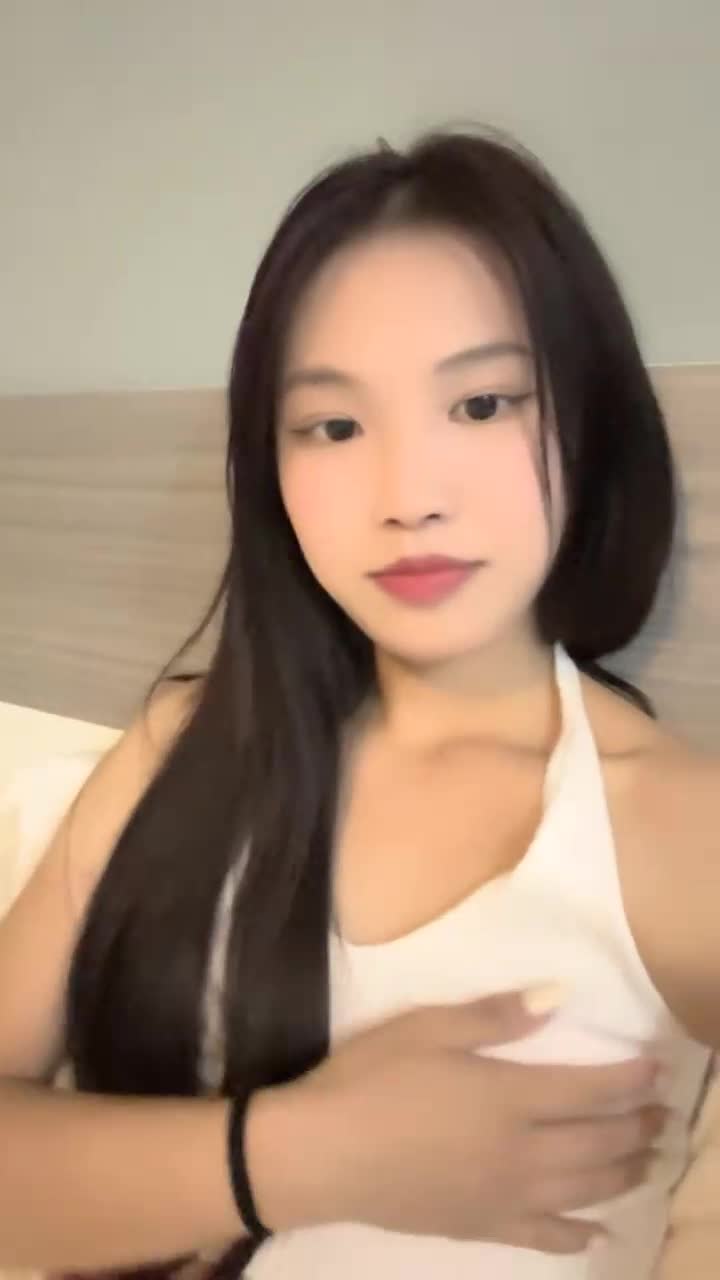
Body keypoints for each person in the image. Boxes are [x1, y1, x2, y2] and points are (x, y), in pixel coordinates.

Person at [0, 125, 717, 1280]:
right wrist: (300, 1156)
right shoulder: (183, 750)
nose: (408, 496)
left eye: (482, 403)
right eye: (333, 425)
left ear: (589, 420)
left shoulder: (683, 832)